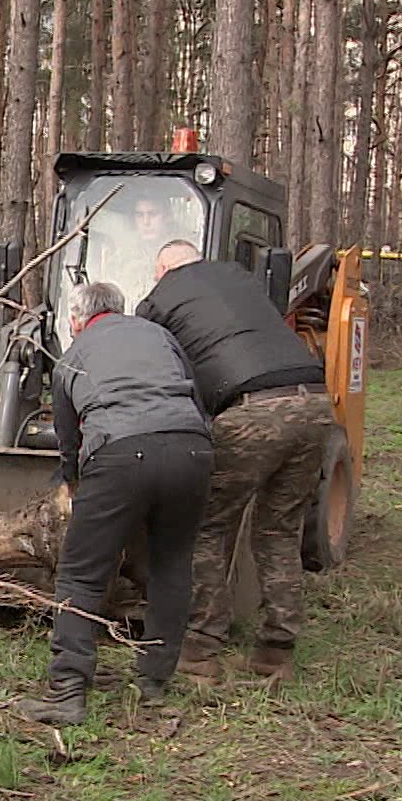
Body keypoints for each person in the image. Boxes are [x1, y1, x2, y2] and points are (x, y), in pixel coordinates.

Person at [135, 240, 334, 683]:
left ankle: (202, 646)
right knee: (279, 530)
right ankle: (275, 651)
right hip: (315, 404)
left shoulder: (159, 298)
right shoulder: (240, 279)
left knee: (207, 525)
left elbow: (149, 361)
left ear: (163, 268)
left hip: (252, 411)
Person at [16, 282, 212, 726]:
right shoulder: (159, 335)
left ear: (78, 319)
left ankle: (68, 691)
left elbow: (69, 439)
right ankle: (154, 682)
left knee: (82, 572)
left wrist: (74, 482)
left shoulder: (73, 356)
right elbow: (195, 397)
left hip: (120, 452)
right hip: (192, 450)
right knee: (172, 565)